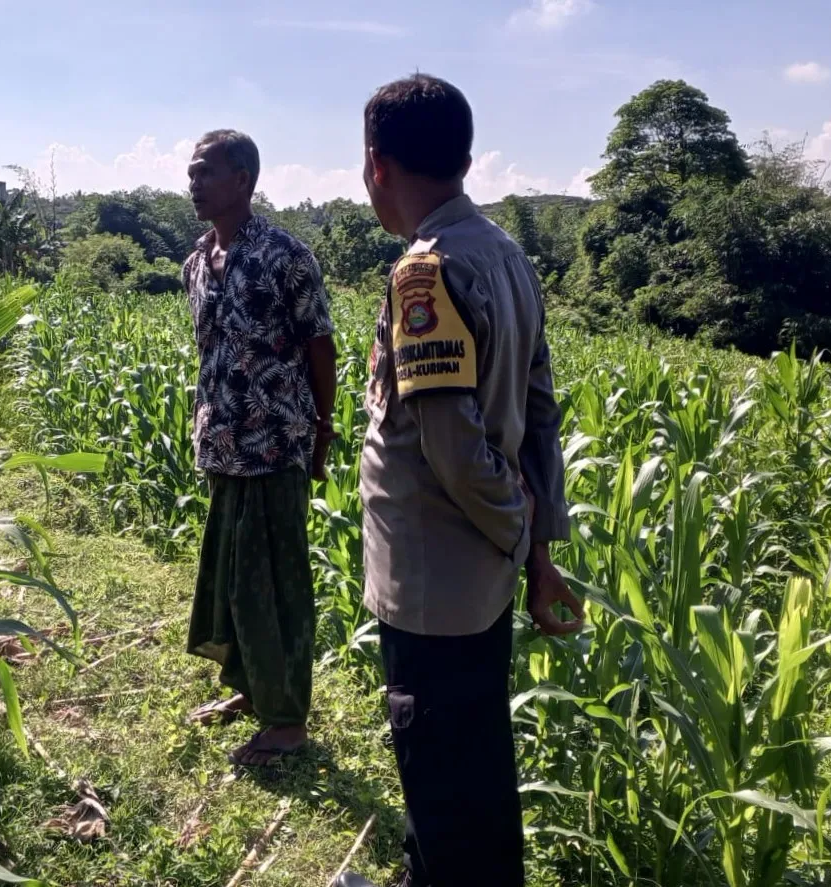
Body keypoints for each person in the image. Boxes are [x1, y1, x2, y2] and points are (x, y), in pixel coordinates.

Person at [357, 75, 585, 885]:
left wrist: (524, 536)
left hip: (434, 587)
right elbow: (538, 414)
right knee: (475, 777)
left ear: (376, 165)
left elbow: (453, 448)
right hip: (480, 582)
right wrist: (539, 551)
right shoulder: (507, 255)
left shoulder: (425, 272)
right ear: (464, 155)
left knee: (444, 789)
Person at [181, 129, 338, 767]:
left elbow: (320, 346)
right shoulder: (195, 261)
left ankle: (288, 721)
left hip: (275, 446)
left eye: (205, 172)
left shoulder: (284, 256)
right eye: (191, 173)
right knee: (233, 579)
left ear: (243, 178)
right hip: (224, 444)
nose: (193, 183)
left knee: (275, 583)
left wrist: (323, 432)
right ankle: (253, 690)